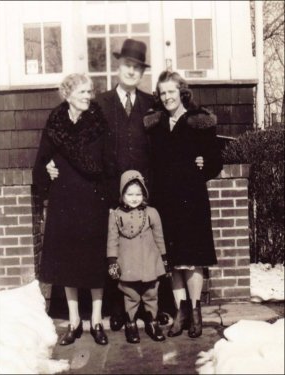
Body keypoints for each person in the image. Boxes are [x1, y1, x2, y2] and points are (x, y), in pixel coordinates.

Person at [46, 39, 170, 331]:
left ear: (142, 73)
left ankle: (150, 308)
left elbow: (162, 143)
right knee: (114, 248)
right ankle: (117, 309)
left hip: (142, 191)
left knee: (144, 247)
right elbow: (73, 136)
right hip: (107, 190)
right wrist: (52, 162)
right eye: (128, 65)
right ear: (119, 67)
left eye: (137, 68)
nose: (131, 71)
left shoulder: (150, 104)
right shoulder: (99, 103)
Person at [144, 71, 223, 338]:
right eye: (162, 92)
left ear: (182, 92)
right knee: (174, 260)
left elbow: (215, 161)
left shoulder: (199, 122)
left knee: (193, 259)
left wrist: (204, 165)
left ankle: (196, 312)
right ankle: (181, 312)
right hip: (165, 200)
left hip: (192, 199)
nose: (167, 97)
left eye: (171, 92)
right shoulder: (155, 125)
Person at [33, 73, 109, 346]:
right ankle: (75, 321)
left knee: (95, 262)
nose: (89, 96)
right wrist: (47, 169)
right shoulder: (55, 123)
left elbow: (107, 161)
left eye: (90, 91)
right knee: (68, 263)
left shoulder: (98, 122)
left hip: (93, 200)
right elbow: (41, 160)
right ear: (68, 95)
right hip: (64, 202)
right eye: (83, 92)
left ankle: (97, 320)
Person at [107, 170, 170, 343]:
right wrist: (112, 261)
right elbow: (112, 240)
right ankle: (131, 323)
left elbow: (159, 238)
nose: (134, 198)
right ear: (122, 194)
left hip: (150, 262)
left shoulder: (152, 213)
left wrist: (164, 258)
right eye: (130, 194)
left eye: (138, 194)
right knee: (131, 295)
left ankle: (152, 322)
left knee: (151, 294)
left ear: (144, 194)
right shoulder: (115, 215)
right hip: (127, 263)